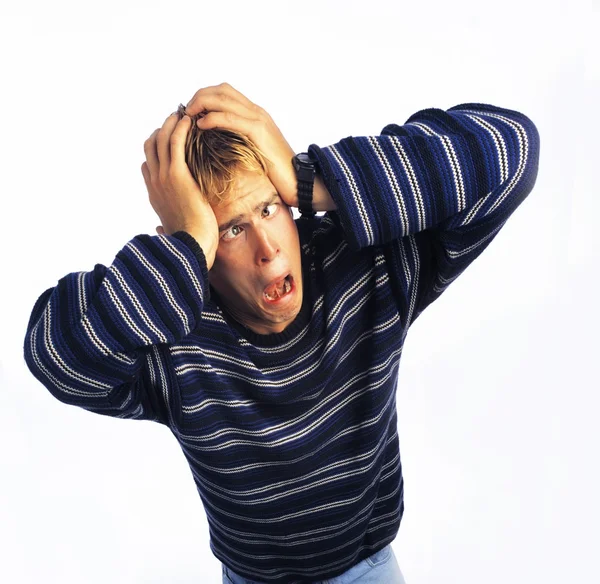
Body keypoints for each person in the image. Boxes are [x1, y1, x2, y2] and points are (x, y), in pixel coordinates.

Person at [23, 83, 540, 584]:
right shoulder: (174, 338)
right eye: (231, 229)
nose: (268, 249)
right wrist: (186, 246)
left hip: (371, 566)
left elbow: (510, 148)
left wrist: (316, 180)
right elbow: (56, 355)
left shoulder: (366, 265)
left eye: (269, 208)